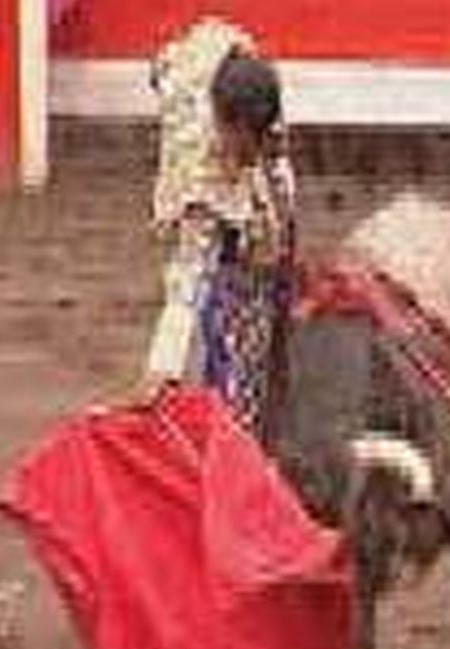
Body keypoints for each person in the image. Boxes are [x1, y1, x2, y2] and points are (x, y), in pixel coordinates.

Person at [123, 17, 297, 447]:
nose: (244, 150)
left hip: (208, 76)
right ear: (224, 123)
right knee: (233, 359)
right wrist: (163, 367)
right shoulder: (204, 179)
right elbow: (189, 275)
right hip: (229, 252)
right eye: (237, 138)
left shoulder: (255, 94)